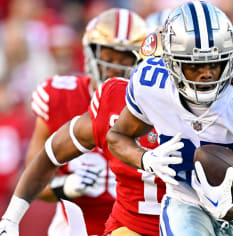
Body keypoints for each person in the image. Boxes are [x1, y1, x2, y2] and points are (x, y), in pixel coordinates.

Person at [107, 1, 233, 235]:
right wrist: (145, 159)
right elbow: (116, 136)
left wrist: (232, 209)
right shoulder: (151, 85)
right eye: (194, 65)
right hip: (184, 201)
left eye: (215, 63)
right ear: (171, 62)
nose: (206, 73)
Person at [5, 8, 148, 236]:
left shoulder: (154, 106)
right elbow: (35, 175)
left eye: (125, 57)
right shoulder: (59, 96)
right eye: (108, 56)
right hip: (75, 228)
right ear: (90, 52)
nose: (115, 66)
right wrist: (66, 187)